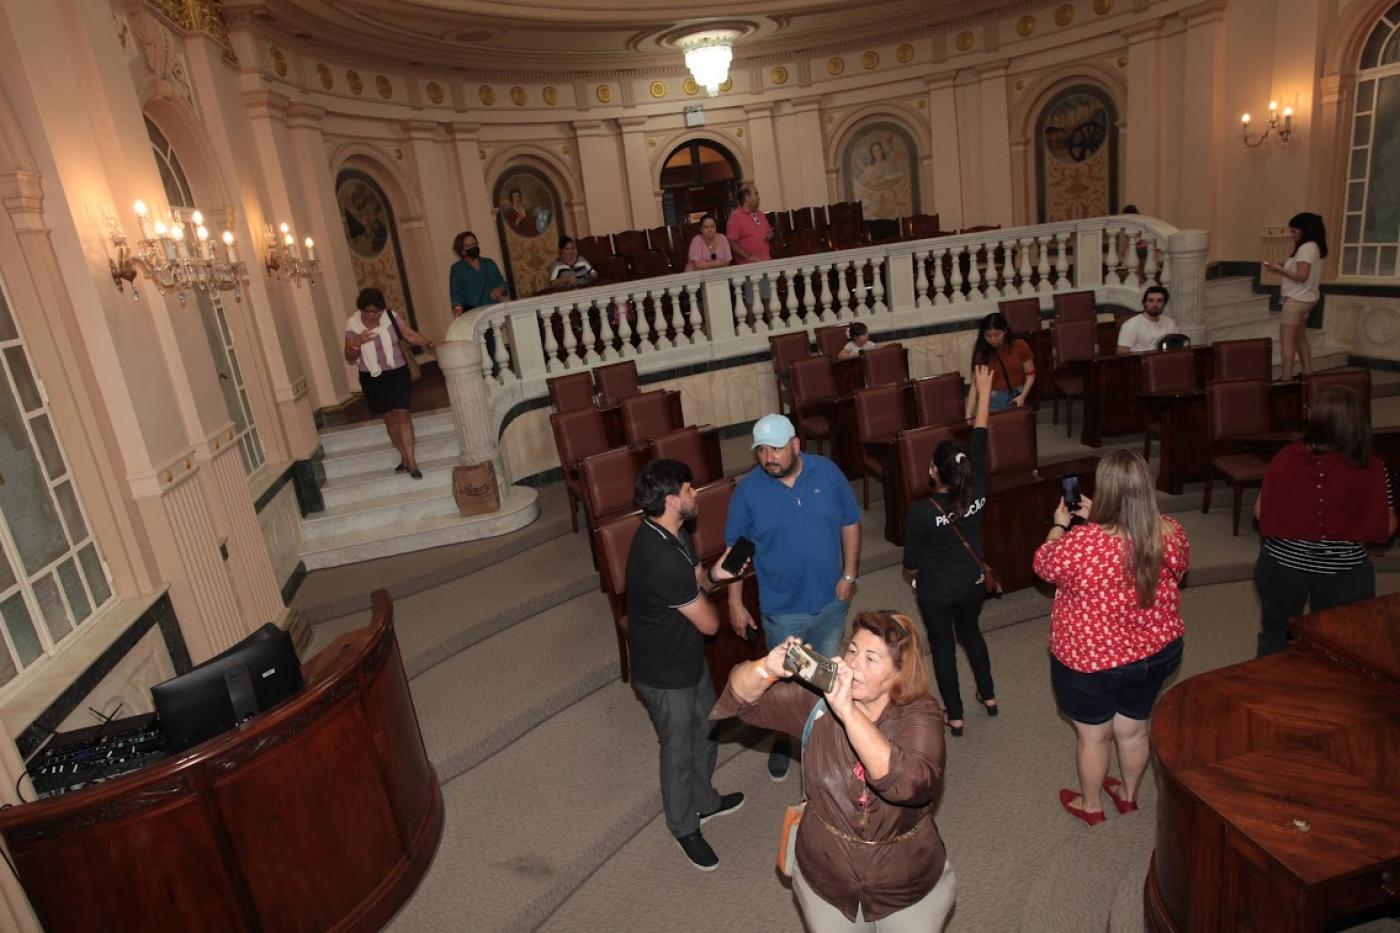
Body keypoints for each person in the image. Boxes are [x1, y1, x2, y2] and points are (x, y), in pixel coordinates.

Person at [710, 612, 955, 931]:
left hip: (904, 881)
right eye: (852, 650)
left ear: (899, 673)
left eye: (871, 658)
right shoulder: (817, 701)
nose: (853, 665)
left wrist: (848, 713)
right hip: (825, 873)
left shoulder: (921, 714)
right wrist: (766, 668)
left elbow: (909, 784)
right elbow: (742, 700)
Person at [1032, 450, 1190, 826]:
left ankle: (1091, 806)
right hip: (1156, 653)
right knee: (1133, 729)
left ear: (1105, 493)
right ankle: (1128, 796)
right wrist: (1103, 522)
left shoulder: (1083, 543)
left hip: (1091, 664)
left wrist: (1059, 525)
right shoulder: (1171, 531)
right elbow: (1173, 566)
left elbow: (1043, 564)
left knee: (1094, 736)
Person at [725, 413, 861, 781]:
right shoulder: (748, 492)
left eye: (777, 448)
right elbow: (736, 552)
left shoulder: (828, 473)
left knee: (828, 676)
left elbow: (850, 521)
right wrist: (735, 603)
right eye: (762, 450)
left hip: (832, 604)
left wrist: (849, 573)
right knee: (786, 683)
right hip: (783, 613)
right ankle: (784, 741)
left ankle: (834, 740)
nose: (769, 457)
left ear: (796, 444)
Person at [626, 459, 747, 870]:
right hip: (664, 675)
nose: (697, 494)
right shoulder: (657, 555)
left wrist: (720, 574)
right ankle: (683, 826)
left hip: (686, 657)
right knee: (676, 752)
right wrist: (710, 591)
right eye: (690, 489)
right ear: (673, 499)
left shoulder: (674, 532)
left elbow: (697, 580)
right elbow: (712, 625)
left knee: (708, 727)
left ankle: (706, 800)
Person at [1253, 386, 1396, 656]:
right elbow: (1387, 526)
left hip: (1283, 568)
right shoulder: (1371, 465)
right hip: (1344, 571)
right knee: (1342, 645)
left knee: (1276, 636)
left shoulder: (1286, 458)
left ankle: (1272, 696)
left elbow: (1261, 511)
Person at [904, 365, 997, 738]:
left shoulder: (921, 511)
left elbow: (911, 561)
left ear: (932, 472)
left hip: (937, 593)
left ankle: (955, 716)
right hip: (973, 585)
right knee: (971, 633)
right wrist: (983, 393)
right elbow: (980, 437)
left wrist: (914, 575)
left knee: (943, 647)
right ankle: (989, 696)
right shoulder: (980, 488)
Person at [343, 288, 435, 479]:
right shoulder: (353, 325)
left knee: (402, 414)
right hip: (372, 377)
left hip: (397, 372)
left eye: (378, 311)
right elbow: (349, 357)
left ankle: (412, 462)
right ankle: (403, 457)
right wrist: (356, 342)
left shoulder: (390, 317)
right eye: (371, 312)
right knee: (390, 419)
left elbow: (409, 334)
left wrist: (429, 343)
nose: (375, 315)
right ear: (362, 310)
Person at [1263, 212, 1327, 380]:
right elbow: (1302, 270)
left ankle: (1285, 381)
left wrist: (1279, 269)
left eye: (1294, 231)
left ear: (1304, 230)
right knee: (1300, 340)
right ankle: (1308, 375)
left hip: (1296, 301)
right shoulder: (1315, 246)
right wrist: (1283, 265)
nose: (1292, 235)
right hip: (1308, 299)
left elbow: (1301, 276)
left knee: (1287, 344)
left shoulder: (1306, 248)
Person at [965, 312, 1035, 413]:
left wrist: (1023, 396)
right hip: (993, 398)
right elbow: (975, 385)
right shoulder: (982, 353)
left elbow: (1030, 374)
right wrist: (969, 412)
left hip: (1017, 393)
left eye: (997, 335)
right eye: (988, 336)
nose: (993, 339)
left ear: (1005, 331)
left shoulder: (1020, 346)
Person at [448, 230, 508, 318]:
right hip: (473, 315)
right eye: (469, 246)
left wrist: (500, 289)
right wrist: (457, 308)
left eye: (474, 244)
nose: (473, 247)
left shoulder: (489, 263)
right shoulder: (457, 269)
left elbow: (502, 282)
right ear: (462, 251)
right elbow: (455, 294)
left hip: (494, 312)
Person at [1115, 286, 1177, 354]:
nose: (1155, 304)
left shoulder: (1169, 322)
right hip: (1140, 362)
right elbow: (1122, 352)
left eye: (1159, 301)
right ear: (1144, 303)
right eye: (1151, 300)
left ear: (1164, 304)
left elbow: (1177, 345)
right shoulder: (1131, 325)